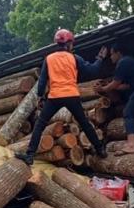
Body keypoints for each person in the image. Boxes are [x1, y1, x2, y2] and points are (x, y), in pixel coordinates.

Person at [15, 29, 107, 165]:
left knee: (40, 125)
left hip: (55, 97)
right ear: (69, 44)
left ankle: (29, 156)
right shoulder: (75, 58)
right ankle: (100, 150)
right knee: (85, 123)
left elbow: (42, 82)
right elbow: (93, 70)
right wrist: (100, 58)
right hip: (71, 95)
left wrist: (40, 97)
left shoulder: (49, 59)